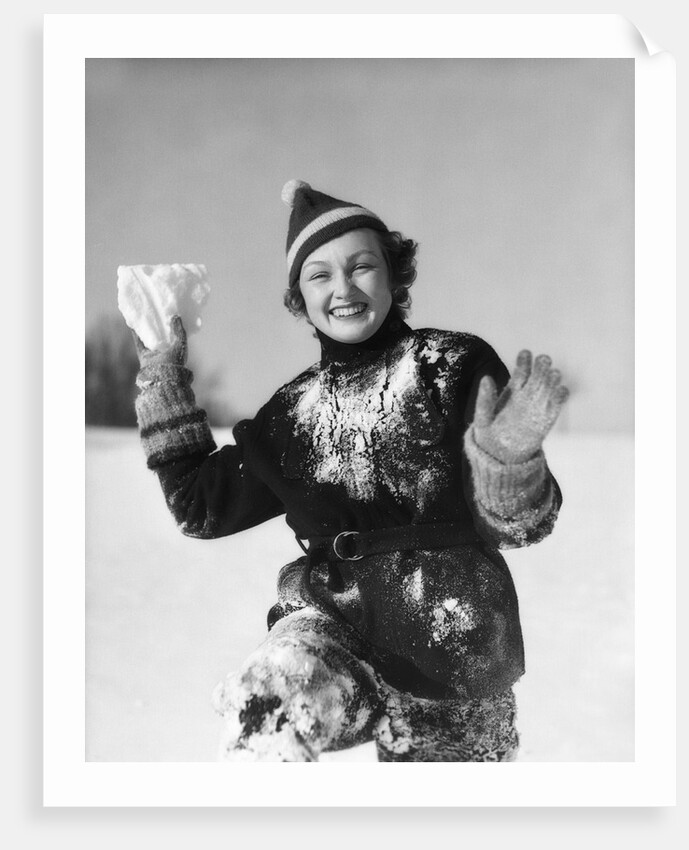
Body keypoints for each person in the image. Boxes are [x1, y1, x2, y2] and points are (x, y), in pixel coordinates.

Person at [132, 179, 569, 762]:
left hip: (453, 638)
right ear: (300, 298)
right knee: (269, 704)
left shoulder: (454, 366)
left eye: (361, 267)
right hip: (332, 622)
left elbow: (521, 527)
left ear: (393, 275)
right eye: (320, 275)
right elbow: (199, 505)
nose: (343, 288)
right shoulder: (290, 415)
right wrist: (162, 377)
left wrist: (508, 463)